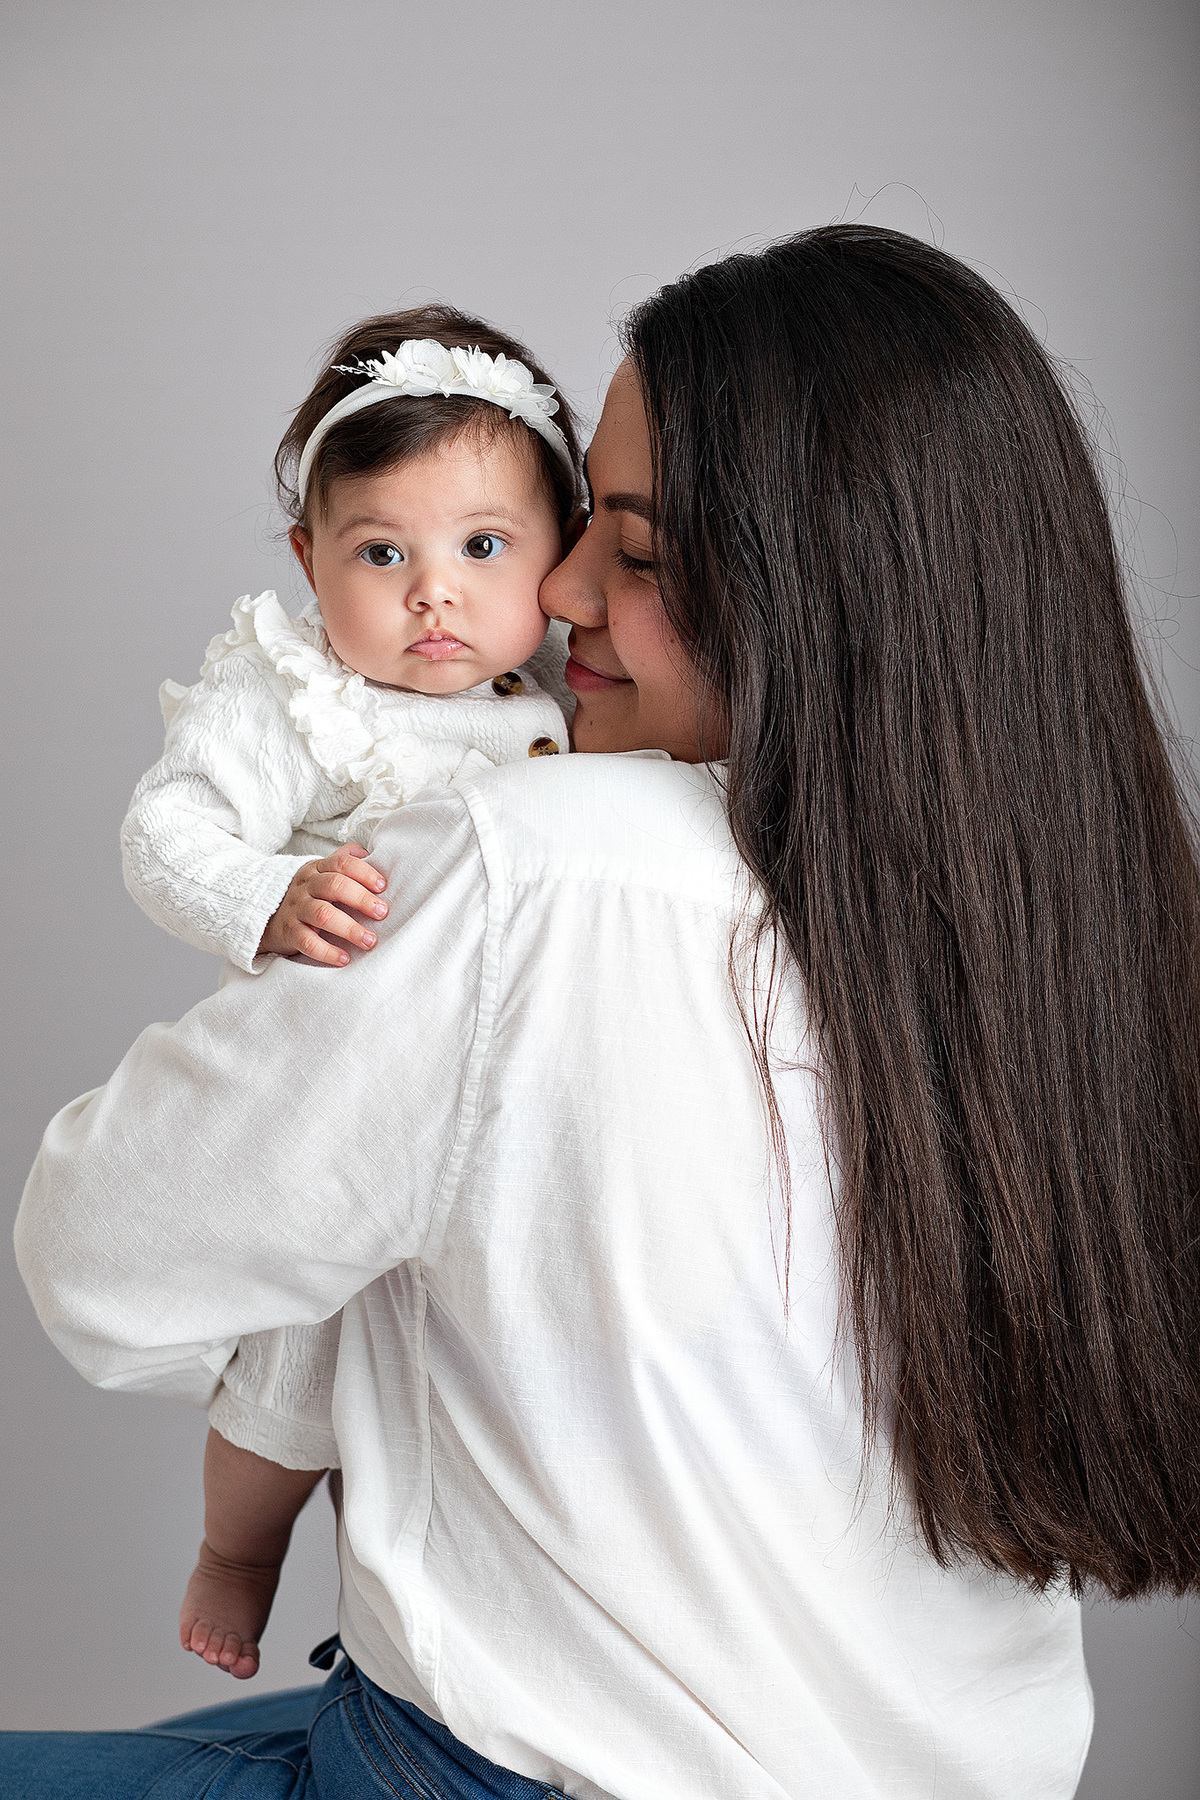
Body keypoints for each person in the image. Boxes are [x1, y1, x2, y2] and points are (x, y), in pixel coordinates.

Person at [12, 225, 1200, 1799]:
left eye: (629, 554)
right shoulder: (1059, 928)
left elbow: (100, 1254)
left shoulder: (538, 861)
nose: (557, 587)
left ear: (816, 594)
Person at [119, 303, 583, 1677]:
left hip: (497, 1116)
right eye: (383, 553)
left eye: (483, 548)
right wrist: (269, 895)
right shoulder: (297, 695)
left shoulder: (567, 694)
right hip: (334, 1097)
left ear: (557, 553)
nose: (434, 594)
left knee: (458, 1385)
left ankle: (412, 1615)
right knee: (298, 1372)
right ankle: (238, 1552)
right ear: (307, 558)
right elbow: (166, 830)